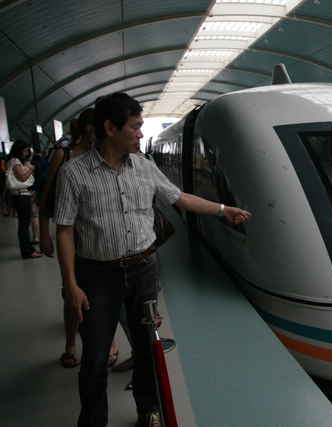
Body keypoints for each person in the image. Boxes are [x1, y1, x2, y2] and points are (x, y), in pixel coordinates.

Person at [55, 92, 251, 427]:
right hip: (97, 276)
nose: (141, 133)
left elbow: (180, 198)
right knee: (96, 357)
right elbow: (64, 230)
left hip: (143, 270)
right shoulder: (74, 173)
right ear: (110, 128)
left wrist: (223, 210)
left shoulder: (145, 166)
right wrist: (71, 285)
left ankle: (148, 410)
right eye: (135, 127)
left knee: (147, 349)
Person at [39, 108, 119, 369]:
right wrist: (43, 233)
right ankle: (71, 344)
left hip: (97, 234)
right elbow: (46, 196)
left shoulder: (104, 154)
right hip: (71, 235)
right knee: (71, 290)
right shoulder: (63, 156)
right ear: (89, 129)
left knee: (104, 290)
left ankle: (109, 341)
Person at [6, 140, 42, 258]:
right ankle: (27, 251)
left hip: (21, 195)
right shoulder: (15, 161)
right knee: (24, 225)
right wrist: (31, 169)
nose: (26, 153)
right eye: (25, 150)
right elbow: (22, 177)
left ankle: (28, 249)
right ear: (19, 150)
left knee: (24, 225)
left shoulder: (14, 161)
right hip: (21, 196)